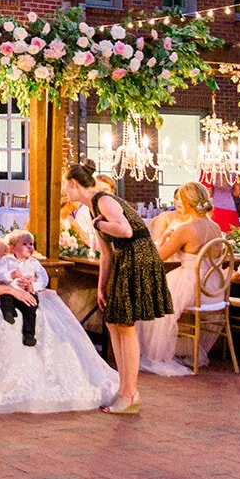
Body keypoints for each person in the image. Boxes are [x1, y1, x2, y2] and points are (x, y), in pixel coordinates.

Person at [0, 200, 118, 414]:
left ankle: (52, 373)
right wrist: (10, 290)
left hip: (11, 290)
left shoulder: (1, 244)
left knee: (45, 311)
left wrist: (25, 281)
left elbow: (16, 265)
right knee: (7, 320)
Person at [62, 165, 171, 415]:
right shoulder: (93, 210)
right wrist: (102, 286)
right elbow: (105, 253)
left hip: (137, 258)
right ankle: (125, 388)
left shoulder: (103, 200)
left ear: (74, 184)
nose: (65, 191)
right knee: (113, 322)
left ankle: (129, 393)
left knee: (125, 325)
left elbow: (126, 230)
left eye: (66, 185)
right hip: (123, 259)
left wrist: (100, 226)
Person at [139, 181, 224, 376]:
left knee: (149, 294)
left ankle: (156, 353)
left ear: (187, 203)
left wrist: (163, 238)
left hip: (190, 284)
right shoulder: (215, 227)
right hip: (212, 289)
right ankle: (182, 350)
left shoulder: (186, 229)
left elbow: (158, 257)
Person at [0, 230, 46, 347]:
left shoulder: (34, 263)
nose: (29, 247)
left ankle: (29, 334)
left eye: (31, 244)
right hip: (12, 291)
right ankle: (9, 312)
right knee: (5, 296)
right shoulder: (7, 260)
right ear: (13, 249)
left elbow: (44, 278)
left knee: (31, 309)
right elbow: (0, 274)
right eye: (24, 244)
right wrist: (11, 275)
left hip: (27, 292)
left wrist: (34, 286)